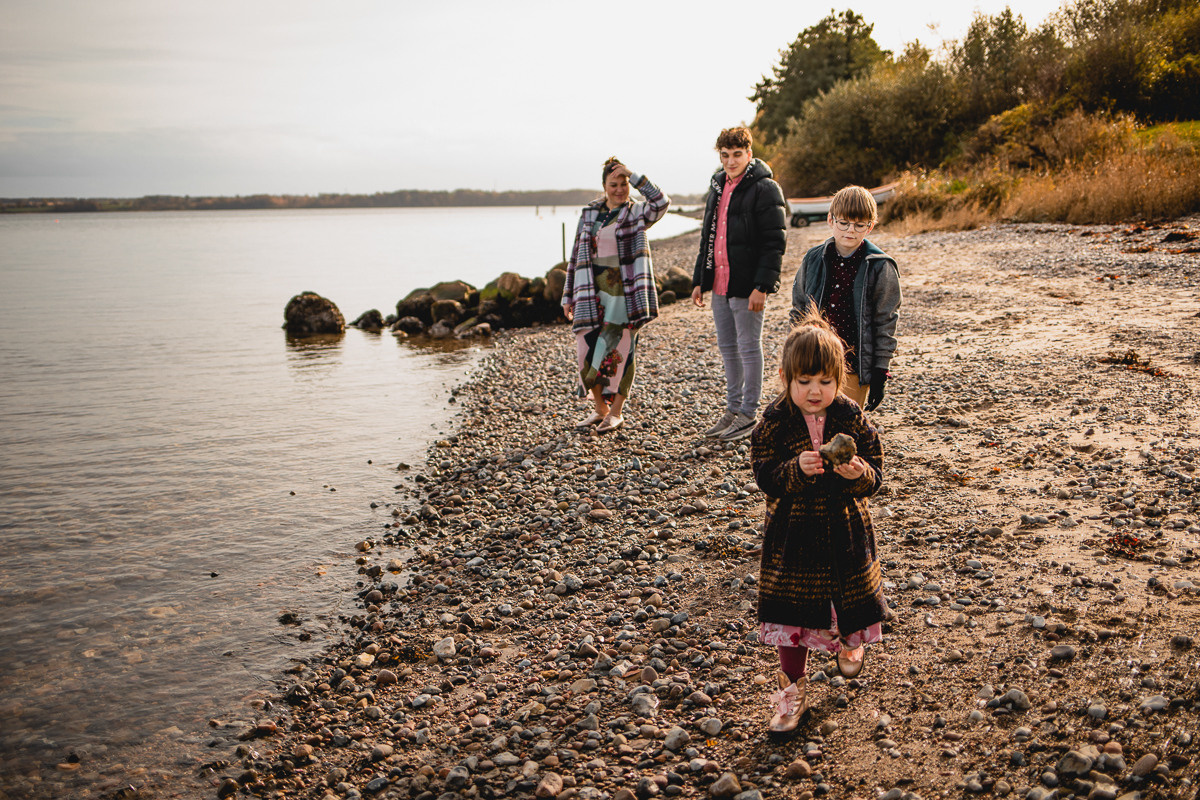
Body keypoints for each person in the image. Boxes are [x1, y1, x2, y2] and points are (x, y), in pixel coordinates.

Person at [751, 308, 887, 735]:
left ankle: (852, 643)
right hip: (794, 536)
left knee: (848, 601)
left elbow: (877, 476)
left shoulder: (852, 418)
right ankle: (790, 697)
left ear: (839, 377)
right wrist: (794, 469)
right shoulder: (772, 423)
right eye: (804, 382)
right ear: (785, 377)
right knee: (793, 621)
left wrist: (858, 472)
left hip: (845, 529)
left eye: (825, 382)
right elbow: (765, 477)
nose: (815, 392)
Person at [691, 126, 787, 441]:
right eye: (725, 155)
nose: (730, 161)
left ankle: (748, 414)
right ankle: (732, 411)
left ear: (749, 153)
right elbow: (708, 237)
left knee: (748, 347)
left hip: (747, 284)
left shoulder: (765, 188)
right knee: (728, 348)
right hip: (719, 282)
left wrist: (762, 286)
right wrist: (698, 281)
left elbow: (774, 243)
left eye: (736, 155)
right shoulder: (718, 187)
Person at [562, 157, 669, 433]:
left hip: (624, 292)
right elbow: (575, 256)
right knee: (586, 349)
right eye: (614, 184)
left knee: (621, 349)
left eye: (624, 184)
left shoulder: (636, 213)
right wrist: (567, 296)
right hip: (590, 290)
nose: (620, 189)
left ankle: (617, 412)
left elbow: (661, 202)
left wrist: (634, 176)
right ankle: (600, 409)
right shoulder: (589, 214)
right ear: (604, 186)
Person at [790, 185, 901, 411]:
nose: (850, 230)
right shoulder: (813, 259)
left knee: (846, 426)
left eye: (859, 225)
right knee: (813, 423)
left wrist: (880, 371)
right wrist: (794, 355)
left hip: (855, 365)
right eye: (844, 223)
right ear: (831, 220)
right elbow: (798, 309)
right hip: (815, 362)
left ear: (869, 227)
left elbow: (885, 321)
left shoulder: (880, 266)